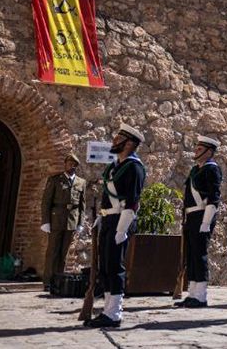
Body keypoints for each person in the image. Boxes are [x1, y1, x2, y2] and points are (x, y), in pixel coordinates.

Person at [85, 124, 147, 328]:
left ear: (129, 144)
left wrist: (122, 229)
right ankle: (107, 310)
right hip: (109, 219)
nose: (114, 141)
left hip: (122, 220)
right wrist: (102, 216)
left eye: (118, 138)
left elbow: (132, 201)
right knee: (105, 266)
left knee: (115, 266)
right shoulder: (114, 167)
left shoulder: (134, 167)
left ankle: (114, 312)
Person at [175, 136, 222, 308]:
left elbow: (213, 198)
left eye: (200, 148)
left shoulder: (212, 170)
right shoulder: (195, 170)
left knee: (200, 254)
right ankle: (192, 293)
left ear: (209, 151)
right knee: (192, 255)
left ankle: (201, 295)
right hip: (192, 216)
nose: (196, 150)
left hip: (203, 216)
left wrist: (206, 222)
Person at [41, 153, 86, 291]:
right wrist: (46, 221)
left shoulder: (80, 182)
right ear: (65, 164)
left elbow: (82, 204)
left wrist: (80, 223)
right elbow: (46, 202)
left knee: (64, 252)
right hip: (56, 218)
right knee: (53, 251)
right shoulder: (55, 180)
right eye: (69, 163)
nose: (71, 166)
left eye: (74, 165)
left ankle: (58, 280)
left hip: (71, 219)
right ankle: (48, 281)